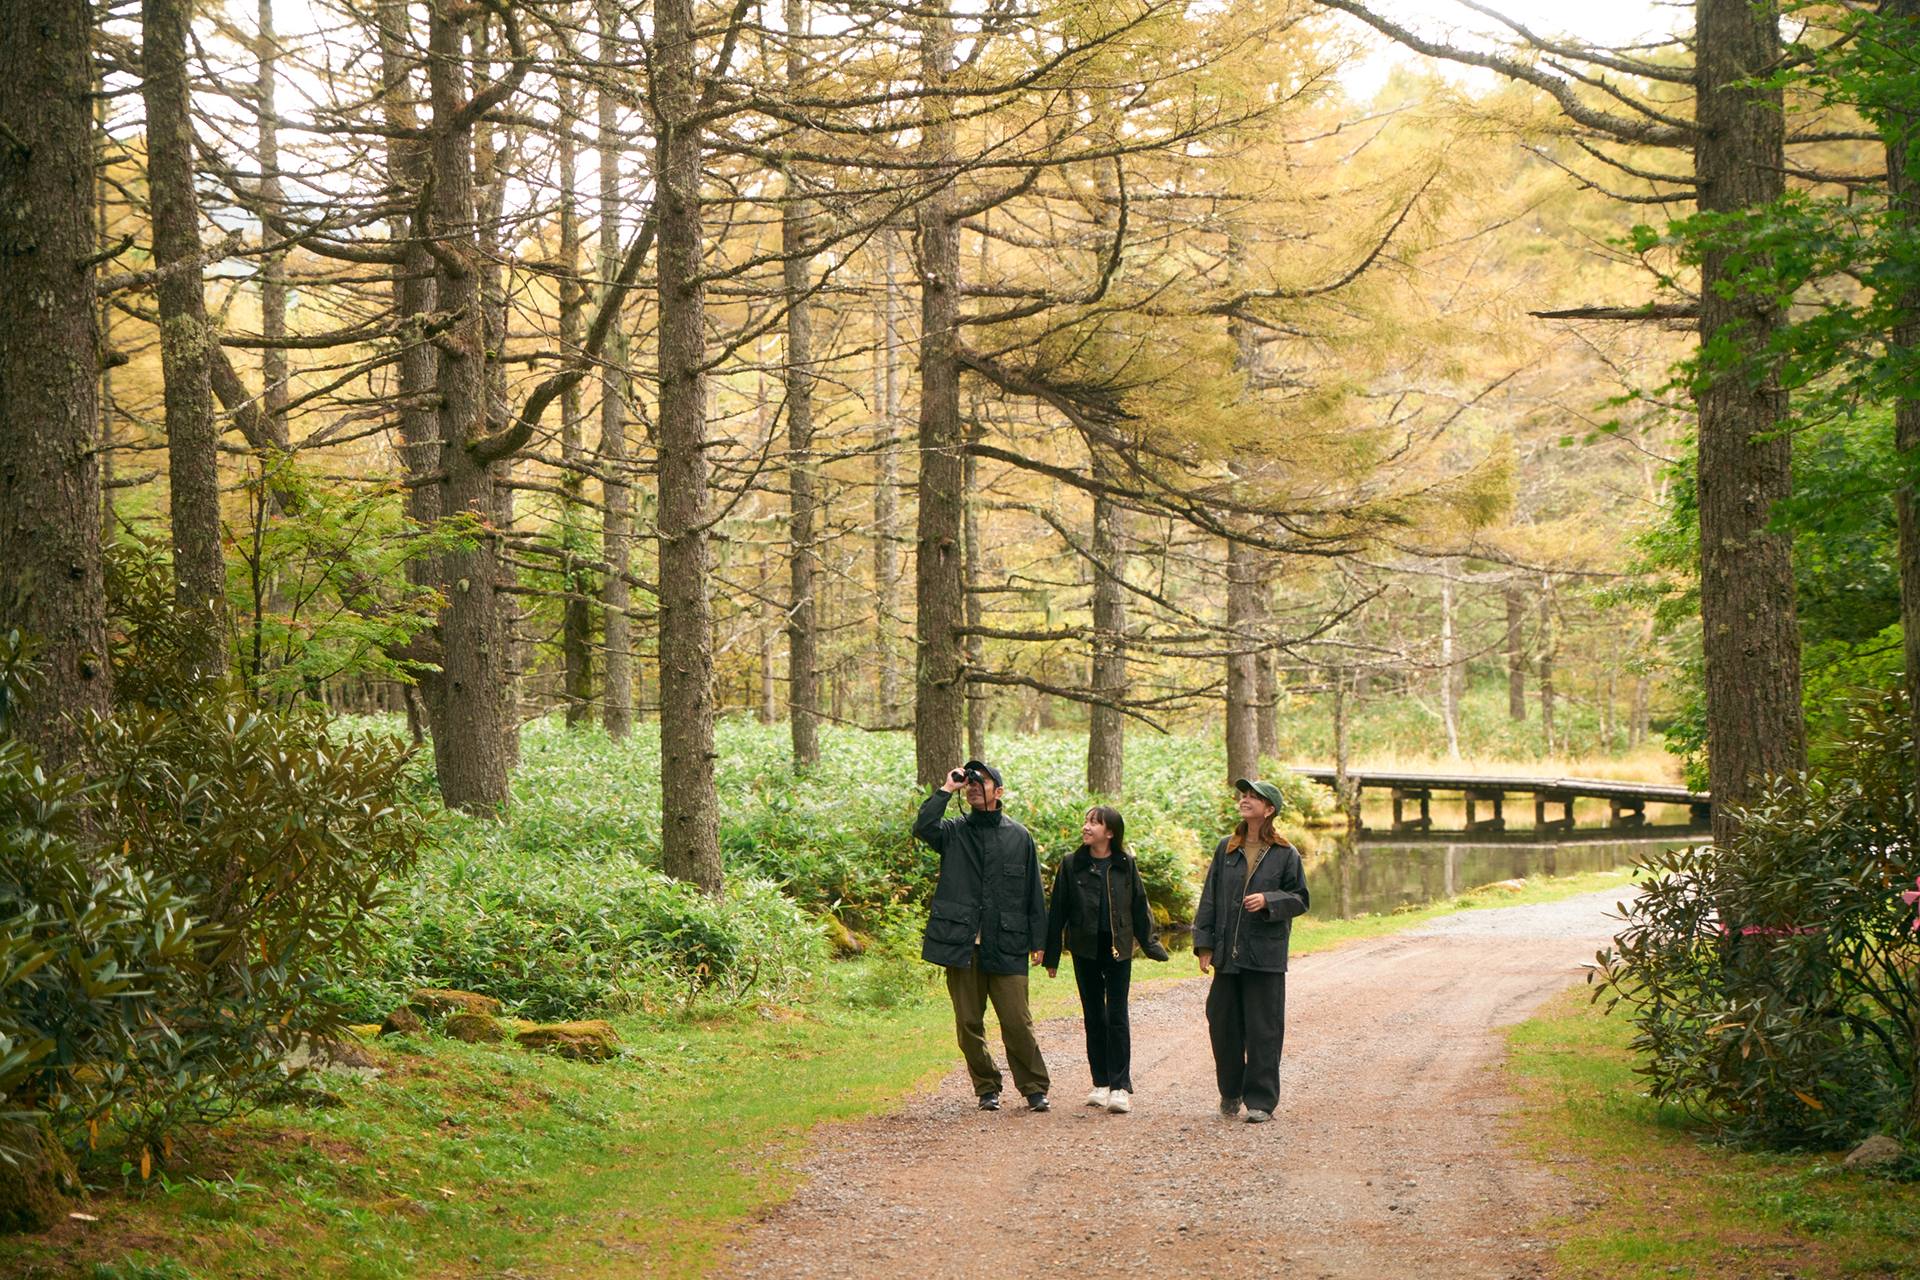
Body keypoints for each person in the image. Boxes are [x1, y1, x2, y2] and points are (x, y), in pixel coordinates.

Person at [912, 759, 1052, 1113]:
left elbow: (1033, 892)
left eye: (982, 782)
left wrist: (1040, 941)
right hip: (962, 945)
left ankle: (1034, 1088)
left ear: (999, 792)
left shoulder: (1019, 836)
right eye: (970, 782)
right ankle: (986, 1087)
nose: (974, 787)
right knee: (969, 1023)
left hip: (1008, 943)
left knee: (1017, 1021)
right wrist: (947, 788)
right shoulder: (954, 831)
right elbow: (923, 826)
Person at [1192, 778, 1310, 1124]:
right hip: (1228, 954)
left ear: (1269, 810)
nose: (1244, 801)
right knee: (1222, 1021)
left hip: (1265, 958)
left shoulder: (1287, 853)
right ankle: (1231, 1090)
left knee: (1264, 1030)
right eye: (1243, 796)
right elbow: (1210, 896)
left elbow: (1301, 899)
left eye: (1253, 798)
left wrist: (1269, 900)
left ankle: (1261, 1101)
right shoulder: (1226, 847)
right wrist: (1204, 943)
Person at [1041, 805, 1170, 1115]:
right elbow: (1058, 910)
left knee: (1117, 1015)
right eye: (1086, 822)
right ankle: (1099, 1083)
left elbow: (1140, 907)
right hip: (1084, 948)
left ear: (1110, 833)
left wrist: (1151, 944)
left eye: (1094, 823)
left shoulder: (1126, 864)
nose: (1086, 827)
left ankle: (1120, 1087)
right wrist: (1052, 955)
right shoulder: (1072, 864)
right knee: (1094, 1015)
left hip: (1119, 948)